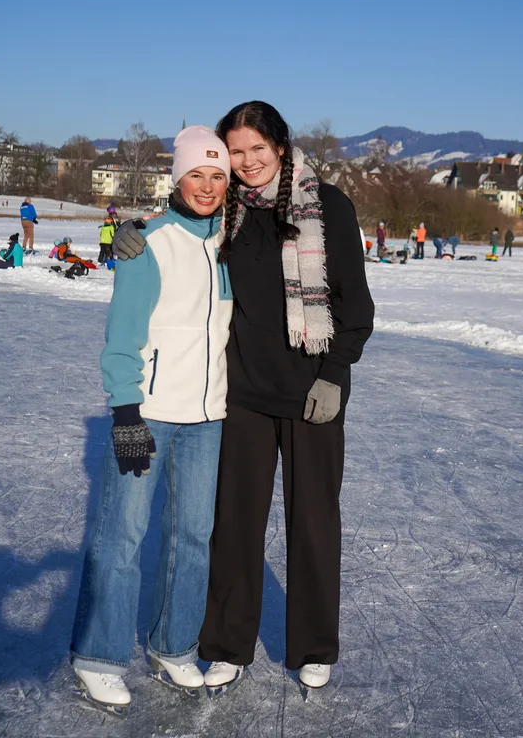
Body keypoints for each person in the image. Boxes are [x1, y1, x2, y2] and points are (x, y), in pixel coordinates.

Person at [112, 102, 374, 692]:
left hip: (314, 394)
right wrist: (129, 233)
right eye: (237, 151)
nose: (248, 162)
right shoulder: (227, 209)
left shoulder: (326, 205)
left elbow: (355, 306)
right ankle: (227, 644)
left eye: (258, 148)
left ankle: (314, 646)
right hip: (245, 394)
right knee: (234, 525)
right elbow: (177, 223)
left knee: (312, 522)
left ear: (281, 146)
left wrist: (334, 373)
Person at [69, 126, 234, 710]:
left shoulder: (229, 246)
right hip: (152, 413)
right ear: (178, 178)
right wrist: (125, 412)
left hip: (208, 417)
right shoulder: (150, 243)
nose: (208, 186)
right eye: (197, 174)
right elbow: (122, 339)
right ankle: (99, 655)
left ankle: (174, 646)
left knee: (193, 537)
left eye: (218, 175)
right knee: (124, 533)